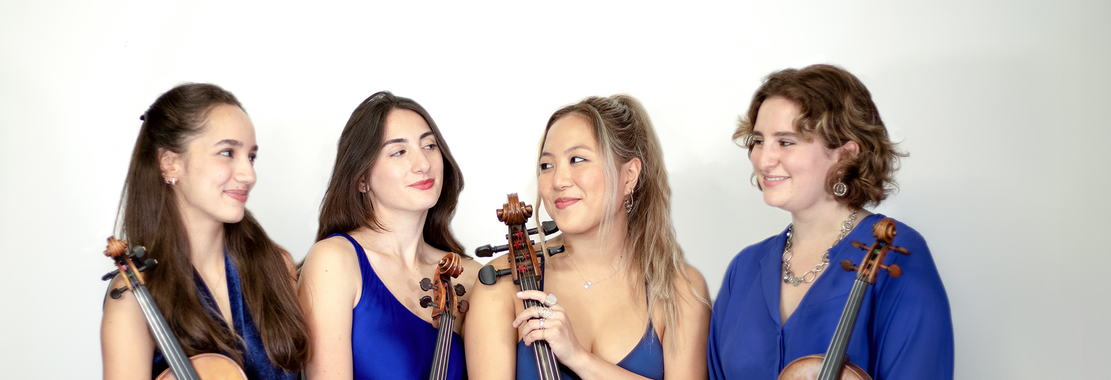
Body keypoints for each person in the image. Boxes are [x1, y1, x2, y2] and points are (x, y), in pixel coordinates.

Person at [707, 64, 954, 379]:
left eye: (785, 142)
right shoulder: (744, 269)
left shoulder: (897, 254)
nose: (763, 159)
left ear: (846, 154)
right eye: (758, 140)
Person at [465, 94, 712, 380]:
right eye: (547, 165)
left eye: (577, 159)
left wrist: (578, 357)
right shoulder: (501, 284)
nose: (558, 180)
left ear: (629, 175)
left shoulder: (681, 288)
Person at [100, 83, 309, 380]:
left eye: (251, 157)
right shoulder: (134, 297)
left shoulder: (276, 266)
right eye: (227, 152)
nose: (249, 175)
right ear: (170, 164)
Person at [298, 91, 478, 380]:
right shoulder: (335, 261)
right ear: (362, 178)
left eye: (430, 146)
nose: (423, 163)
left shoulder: (469, 276)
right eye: (399, 152)